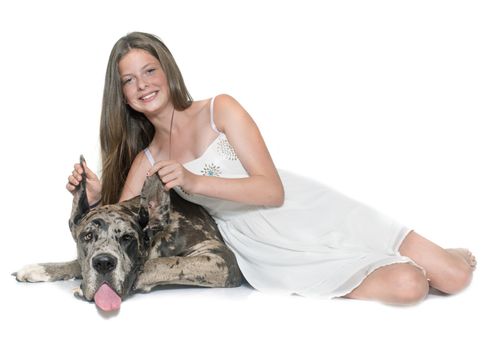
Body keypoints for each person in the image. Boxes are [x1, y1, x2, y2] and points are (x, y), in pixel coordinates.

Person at [66, 32, 476, 305]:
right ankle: (397, 264)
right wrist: (97, 198)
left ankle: (441, 256)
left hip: (302, 210)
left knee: (455, 278)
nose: (142, 85)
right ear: (121, 95)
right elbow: (122, 229)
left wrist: (193, 181)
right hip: (258, 245)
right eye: (128, 80)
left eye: (149, 70)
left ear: (168, 70)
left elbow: (271, 191)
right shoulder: (147, 160)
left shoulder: (218, 109)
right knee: (411, 286)